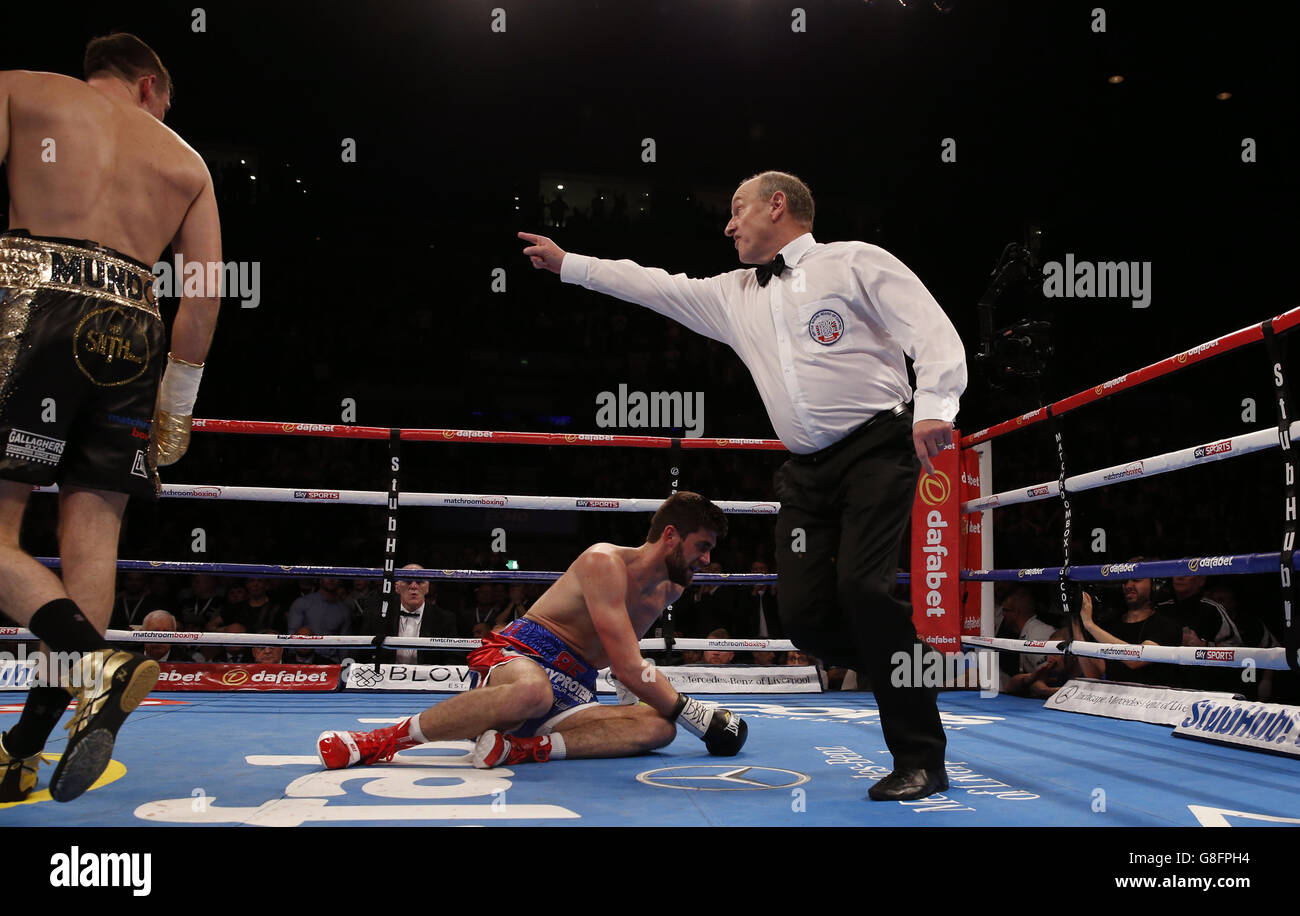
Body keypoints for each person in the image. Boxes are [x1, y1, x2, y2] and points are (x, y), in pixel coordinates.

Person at [519, 170, 966, 800]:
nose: (727, 225)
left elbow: (933, 329)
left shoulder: (854, 262)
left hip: (876, 451)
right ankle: (910, 670)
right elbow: (653, 286)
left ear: (777, 205)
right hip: (807, 473)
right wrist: (571, 265)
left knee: (863, 591)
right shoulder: (734, 294)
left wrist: (936, 407)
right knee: (805, 620)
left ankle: (922, 757)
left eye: (737, 210)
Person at [0, 33, 221, 803]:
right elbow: (203, 293)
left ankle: (97, 662)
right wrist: (178, 408)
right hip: (134, 326)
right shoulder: (186, 162)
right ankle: (23, 748)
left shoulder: (21, 89)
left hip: (30, 295)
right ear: (151, 85)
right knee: (91, 541)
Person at [316, 492, 748, 770]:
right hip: (523, 659)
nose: (707, 561)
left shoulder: (670, 589)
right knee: (533, 693)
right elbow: (629, 664)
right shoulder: (604, 562)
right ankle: (377, 742)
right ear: (671, 536)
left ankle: (517, 750)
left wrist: (640, 700)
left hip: (576, 688)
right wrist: (697, 714)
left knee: (659, 728)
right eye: (702, 547)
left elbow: (624, 656)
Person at [360, 564, 460, 665]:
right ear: (397, 587)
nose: (413, 586)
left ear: (427, 588)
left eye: (420, 581)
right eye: (407, 581)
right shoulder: (379, 616)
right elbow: (362, 655)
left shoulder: (444, 618)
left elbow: (454, 658)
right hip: (387, 678)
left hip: (427, 678)